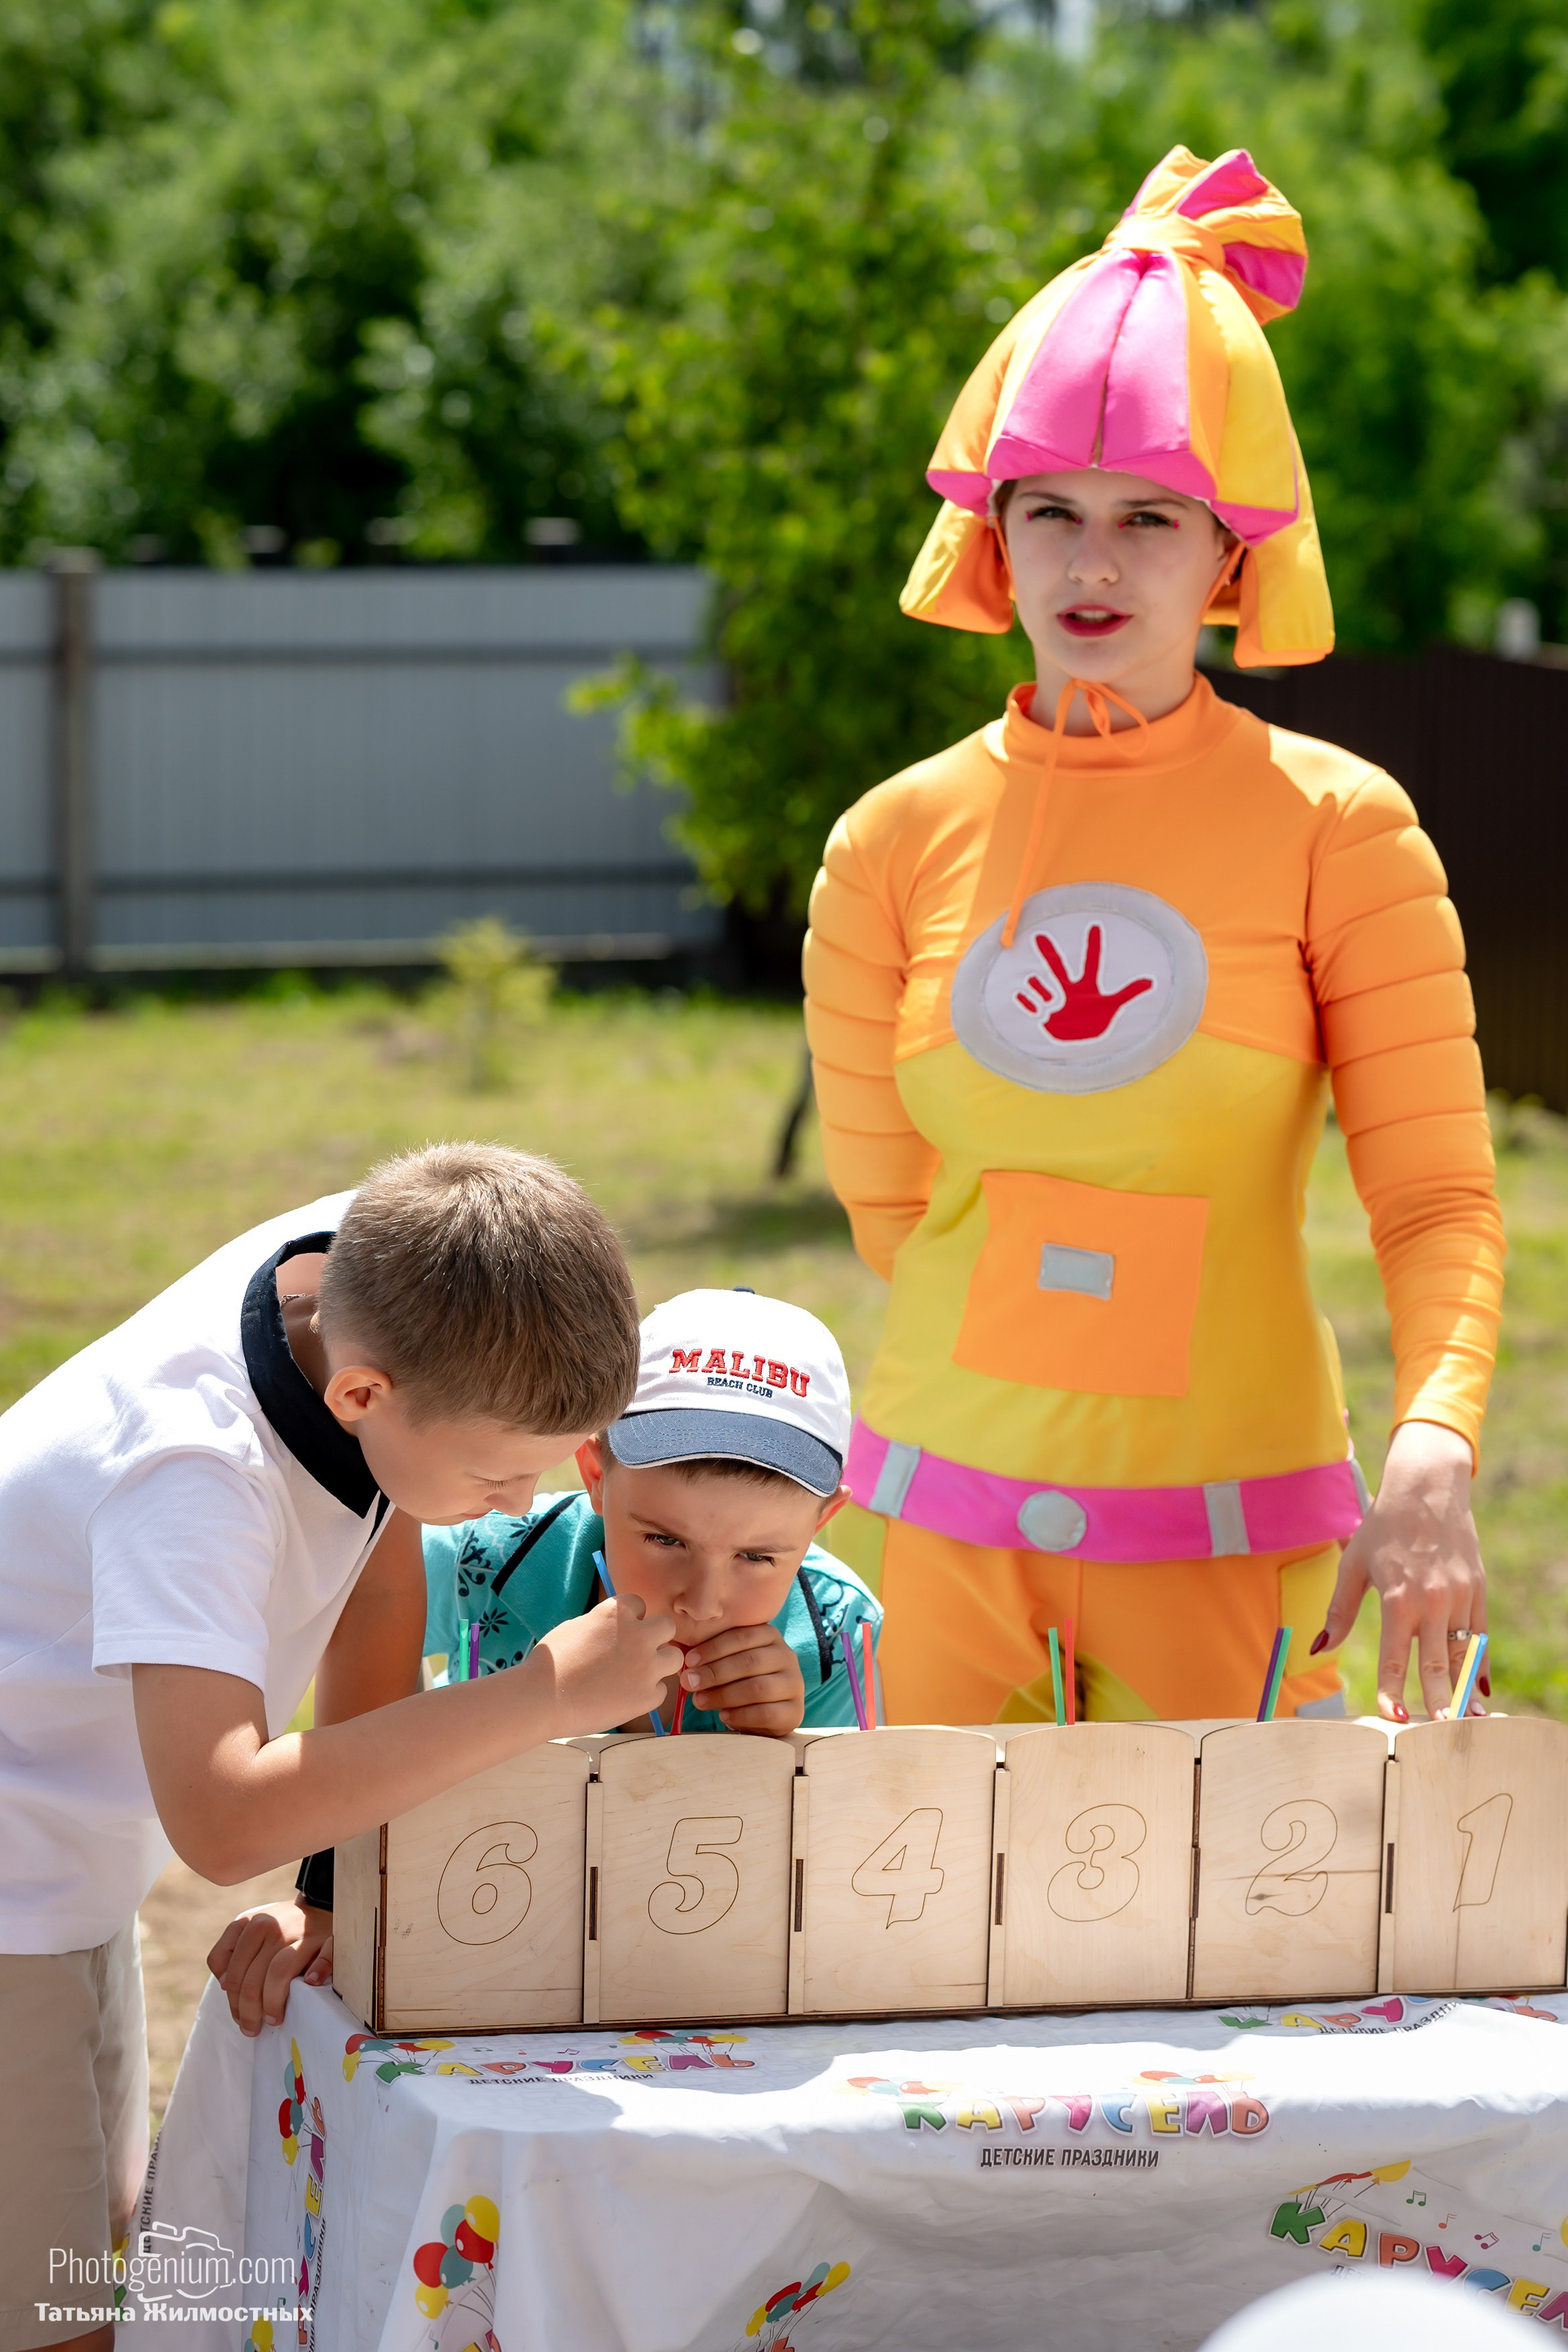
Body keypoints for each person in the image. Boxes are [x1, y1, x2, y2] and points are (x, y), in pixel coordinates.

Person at [803, 146, 1503, 1732]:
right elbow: (891, 1211)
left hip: (1231, 1532)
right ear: (991, 533)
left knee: (1239, 1974)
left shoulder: (1341, 827)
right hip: (930, 1524)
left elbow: (1437, 1193)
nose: (1090, 563)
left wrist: (1432, 1435)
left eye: (1147, 517)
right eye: (1045, 511)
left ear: (1230, 553)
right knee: (925, 1955)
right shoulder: (886, 842)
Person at [0, 1143, 677, 2352]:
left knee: (99, 2247)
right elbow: (222, 1819)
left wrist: (336, 1884)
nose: (524, 1503)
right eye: (498, 1470)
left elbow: (377, 1558)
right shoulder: (195, 1473)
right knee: (51, 2311)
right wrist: (539, 1692)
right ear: (363, 1394)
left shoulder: (382, 1264)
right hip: (14, 1883)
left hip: (67, 1862)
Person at [211, 1287, 881, 2035]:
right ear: (595, 1471)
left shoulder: (833, 1629)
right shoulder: (488, 1555)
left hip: (709, 1987)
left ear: (824, 1520)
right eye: (663, 1540)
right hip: (467, 1953)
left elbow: (846, 1876)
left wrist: (791, 1750)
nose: (702, 1598)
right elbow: (345, 1619)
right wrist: (332, 1899)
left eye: (758, 1557)